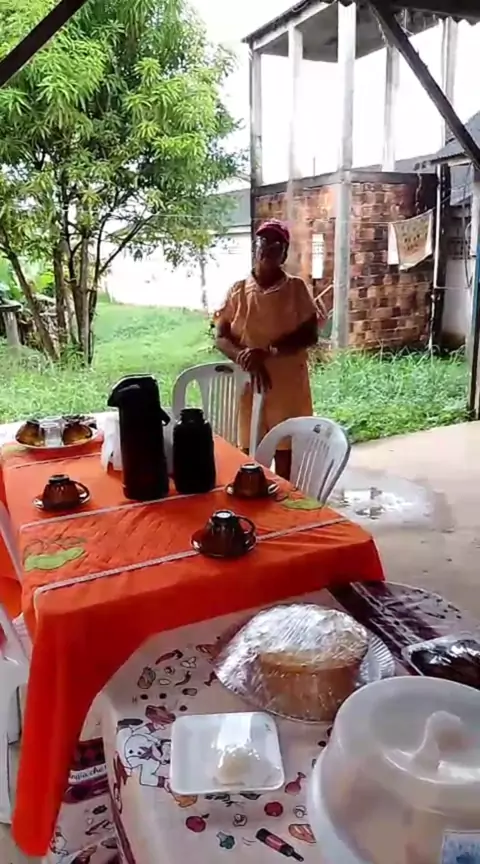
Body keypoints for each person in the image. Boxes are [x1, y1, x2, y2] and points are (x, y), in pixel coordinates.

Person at [215, 219, 319, 480]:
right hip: (250, 385)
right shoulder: (238, 291)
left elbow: (310, 334)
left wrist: (269, 351)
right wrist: (244, 357)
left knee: (286, 456)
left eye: (276, 244)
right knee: (249, 456)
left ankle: (285, 502)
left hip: (287, 387)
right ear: (255, 248)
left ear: (284, 254)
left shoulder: (295, 289)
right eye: (263, 241)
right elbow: (221, 337)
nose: (268, 248)